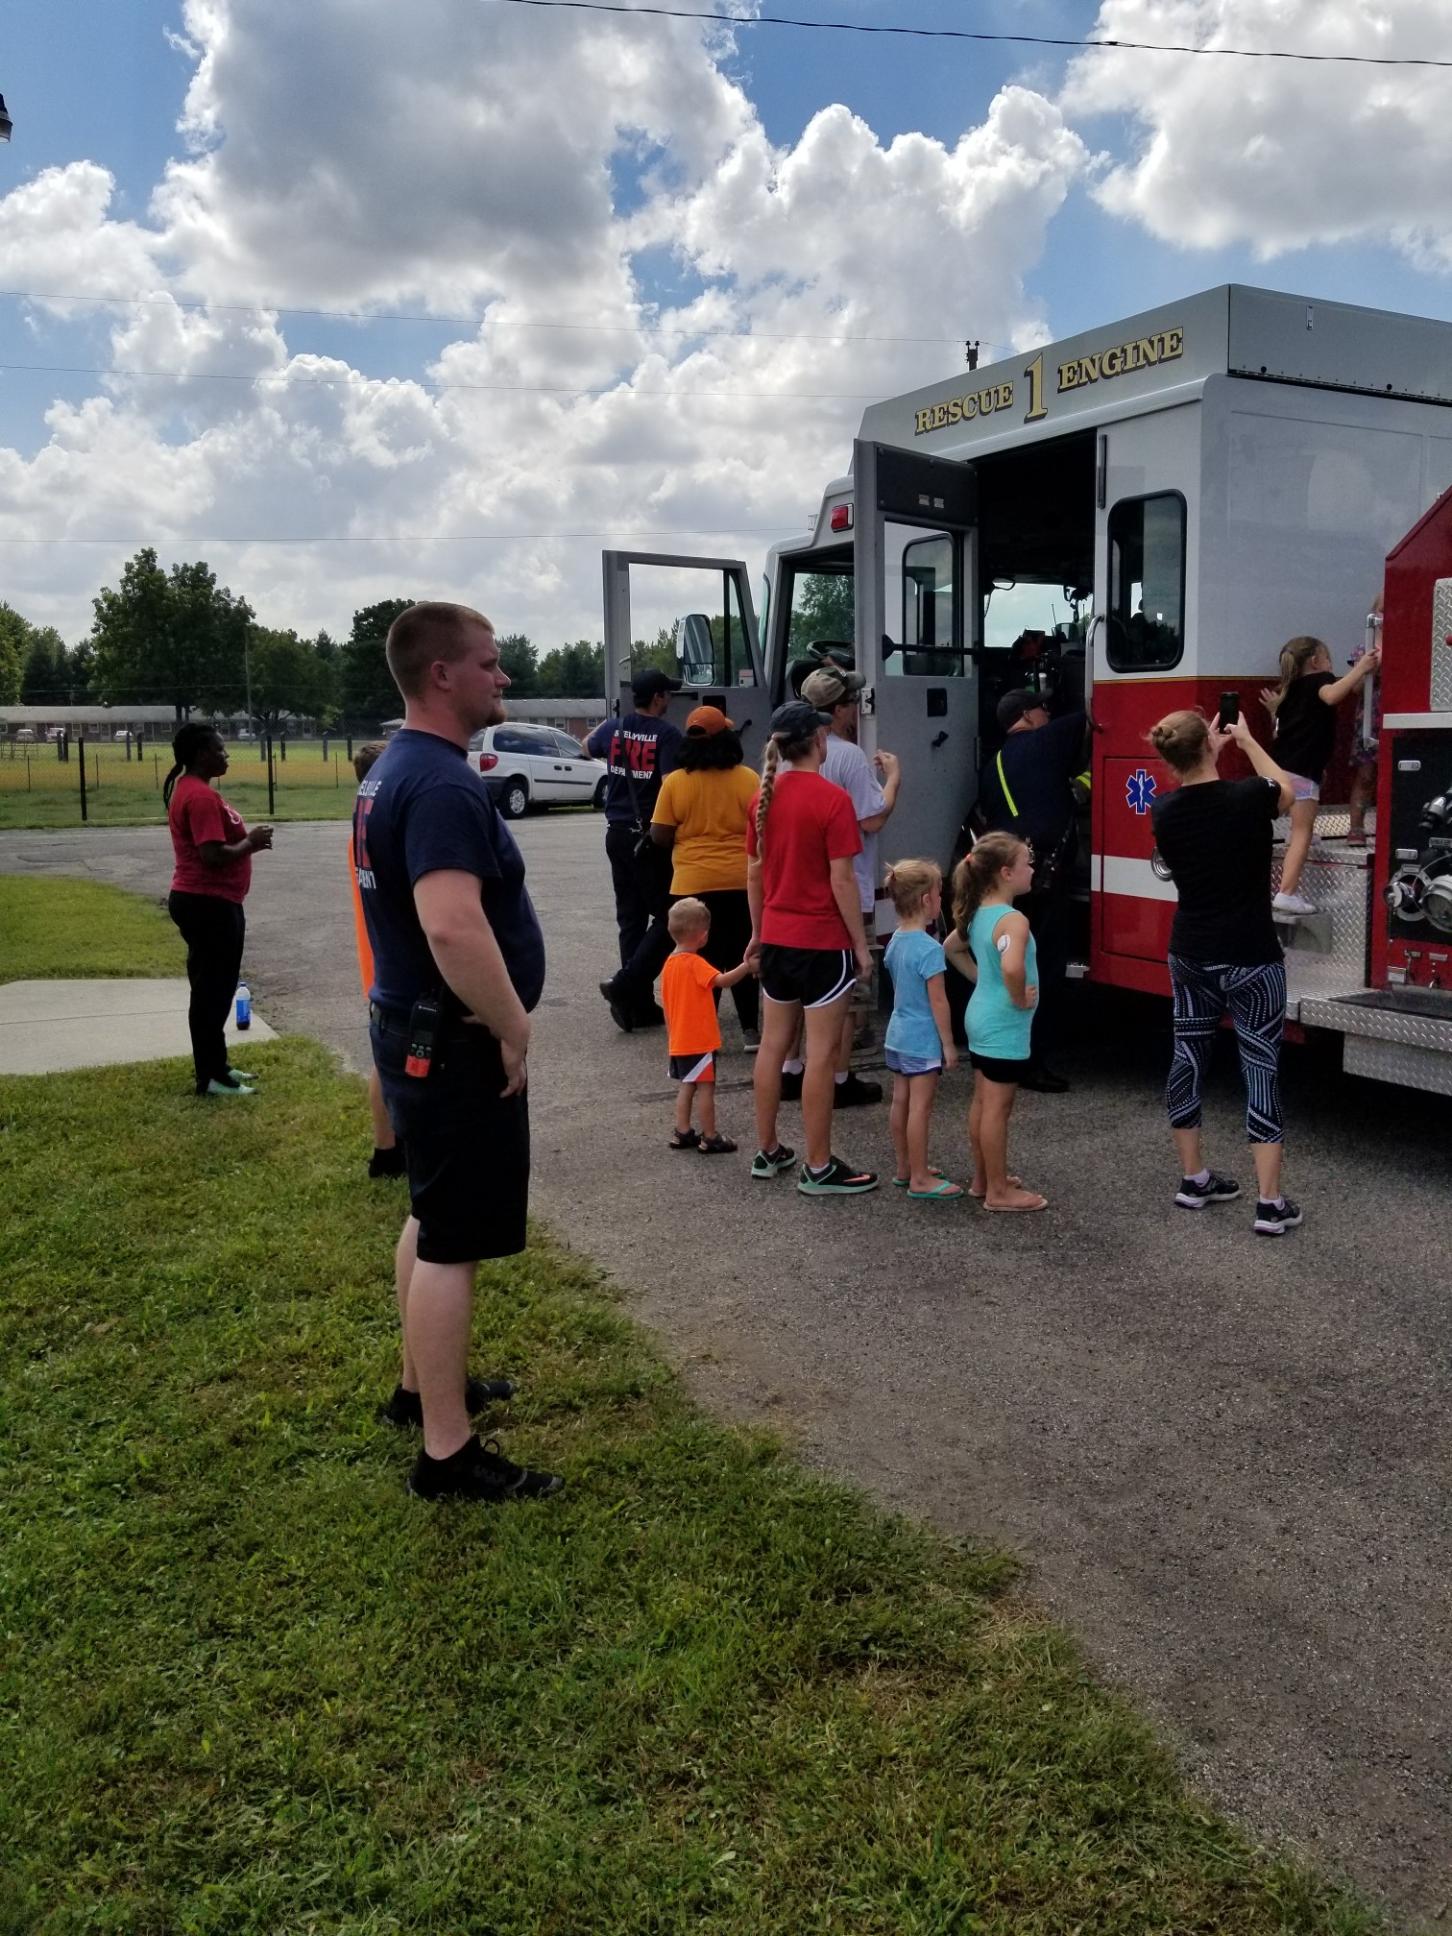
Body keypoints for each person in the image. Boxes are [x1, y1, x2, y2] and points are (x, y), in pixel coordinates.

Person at [356, 600, 562, 1504]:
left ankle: (419, 1389)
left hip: (413, 1029)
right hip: (451, 1041)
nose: (502, 676)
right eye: (489, 662)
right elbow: (450, 924)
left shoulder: (393, 769)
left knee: (429, 1214)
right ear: (441, 674)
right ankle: (446, 1454)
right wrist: (513, 1025)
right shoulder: (440, 783)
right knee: (451, 1241)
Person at [1149, 709, 1301, 1236]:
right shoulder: (1247, 797)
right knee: (1260, 1067)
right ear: (1210, 744)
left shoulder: (1163, 810)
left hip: (1190, 952)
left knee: (1187, 1058)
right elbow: (1289, 791)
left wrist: (1210, 747)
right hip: (1252, 954)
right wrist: (1249, 742)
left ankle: (1194, 1179)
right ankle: (1269, 1202)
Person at [745, 699, 877, 1197]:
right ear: (819, 740)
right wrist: (861, 946)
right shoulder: (832, 800)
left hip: (778, 938)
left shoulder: (762, 799)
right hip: (823, 943)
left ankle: (768, 1149)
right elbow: (842, 880)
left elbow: (754, 873)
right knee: (820, 1055)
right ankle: (819, 1166)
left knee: (774, 1045)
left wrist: (757, 932)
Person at [798, 663, 901, 1108]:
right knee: (844, 993)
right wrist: (894, 779)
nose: (858, 707)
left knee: (802, 992)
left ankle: (794, 1070)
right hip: (848, 886)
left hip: (803, 886)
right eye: (853, 701)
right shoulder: (849, 756)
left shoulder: (786, 755)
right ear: (838, 710)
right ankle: (839, 1078)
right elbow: (872, 819)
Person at [978, 688, 1089, 1092]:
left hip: (1010, 878)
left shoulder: (993, 764)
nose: (1048, 713)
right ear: (1027, 715)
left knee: (1010, 960)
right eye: (1044, 707)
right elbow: (1092, 711)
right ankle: (1032, 1061)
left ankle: (1003, 1050)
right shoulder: (1046, 741)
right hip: (1044, 877)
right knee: (1043, 965)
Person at [163, 723, 273, 1099]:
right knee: (213, 991)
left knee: (213, 989)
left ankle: (217, 1066)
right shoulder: (199, 797)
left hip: (208, 902)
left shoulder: (194, 790)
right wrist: (251, 843)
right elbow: (211, 855)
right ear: (201, 755)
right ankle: (209, 1077)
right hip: (208, 903)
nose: (226, 756)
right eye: (220, 750)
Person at [946, 833, 1047, 1212]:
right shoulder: (1013, 921)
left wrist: (982, 980)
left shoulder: (977, 914)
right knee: (997, 1109)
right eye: (1027, 863)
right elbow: (1012, 966)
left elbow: (951, 948)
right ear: (1006, 873)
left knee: (982, 1101)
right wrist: (1017, 996)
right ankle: (998, 1192)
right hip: (1003, 1025)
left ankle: (984, 1179)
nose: (1032, 869)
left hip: (980, 1018)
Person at [650, 705, 760, 1044]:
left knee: (702, 959)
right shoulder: (748, 778)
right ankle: (750, 1030)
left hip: (692, 882)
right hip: (740, 881)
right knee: (743, 952)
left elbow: (659, 834)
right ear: (727, 739)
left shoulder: (676, 782)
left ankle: (704, 1031)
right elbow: (762, 826)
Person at [588, 667, 684, 1030]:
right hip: (647, 838)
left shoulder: (614, 729)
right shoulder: (667, 735)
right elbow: (670, 784)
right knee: (670, 915)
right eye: (668, 693)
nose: (670, 699)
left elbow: (586, 746)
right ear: (658, 697)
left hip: (615, 834)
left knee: (630, 919)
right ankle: (627, 986)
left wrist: (614, 724)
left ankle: (638, 1006)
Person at [1259, 633, 1380, 913]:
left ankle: (1292, 842)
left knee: (1297, 822)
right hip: (1302, 770)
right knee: (1304, 830)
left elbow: (1278, 732)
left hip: (1280, 767)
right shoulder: (1320, 680)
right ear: (1315, 661)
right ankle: (1287, 892)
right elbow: (1332, 695)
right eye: (1328, 658)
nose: (1330, 664)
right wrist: (1361, 668)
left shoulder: (1288, 692)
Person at [882, 859, 961, 1200]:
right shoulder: (930, 949)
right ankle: (919, 1177)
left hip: (897, 1034)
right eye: (939, 894)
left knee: (900, 1102)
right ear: (926, 900)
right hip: (922, 1038)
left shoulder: (895, 941)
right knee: (920, 1109)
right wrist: (949, 1044)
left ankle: (906, 1167)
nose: (941, 900)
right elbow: (938, 1002)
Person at [348, 743, 406, 1179]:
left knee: (387, 1060)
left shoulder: (362, 821)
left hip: (377, 951)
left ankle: (389, 1146)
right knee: (387, 1062)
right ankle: (387, 1151)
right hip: (386, 954)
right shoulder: (377, 824)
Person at [661, 897, 755, 1153]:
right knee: (705, 1088)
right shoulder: (695, 963)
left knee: (687, 1085)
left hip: (679, 1039)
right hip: (699, 1039)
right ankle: (710, 1136)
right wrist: (746, 967)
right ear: (703, 936)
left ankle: (682, 1131)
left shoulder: (669, 964)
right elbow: (722, 981)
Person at [1346, 597, 1384, 847]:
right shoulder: (1365, 649)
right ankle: (1356, 827)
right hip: (1369, 719)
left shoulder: (1407, 644)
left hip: (1393, 717)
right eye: (1382, 610)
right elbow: (1355, 687)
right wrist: (1370, 667)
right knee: (1366, 774)